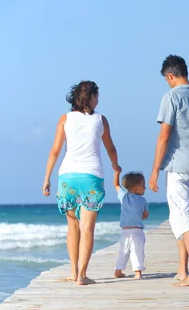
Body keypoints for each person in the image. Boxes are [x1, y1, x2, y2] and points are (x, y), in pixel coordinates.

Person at [42, 81, 121, 286]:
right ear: (91, 98)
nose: (98, 99)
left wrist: (47, 178)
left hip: (67, 177)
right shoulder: (100, 120)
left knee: (72, 227)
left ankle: (72, 271)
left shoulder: (65, 119)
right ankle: (82, 276)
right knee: (87, 228)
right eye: (97, 95)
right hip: (91, 177)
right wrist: (116, 166)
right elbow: (110, 148)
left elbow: (55, 151)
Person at [149, 55, 189, 287]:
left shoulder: (171, 97)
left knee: (182, 217)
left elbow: (164, 135)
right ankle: (182, 268)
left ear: (170, 76)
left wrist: (155, 169)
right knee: (180, 215)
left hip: (179, 164)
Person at [113, 170, 149, 279]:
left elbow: (116, 185)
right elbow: (146, 214)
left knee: (123, 251)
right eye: (143, 185)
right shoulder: (142, 200)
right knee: (137, 251)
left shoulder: (124, 197)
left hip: (125, 231)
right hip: (137, 230)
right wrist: (139, 218)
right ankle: (137, 272)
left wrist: (116, 174)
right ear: (135, 187)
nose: (145, 188)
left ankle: (118, 270)